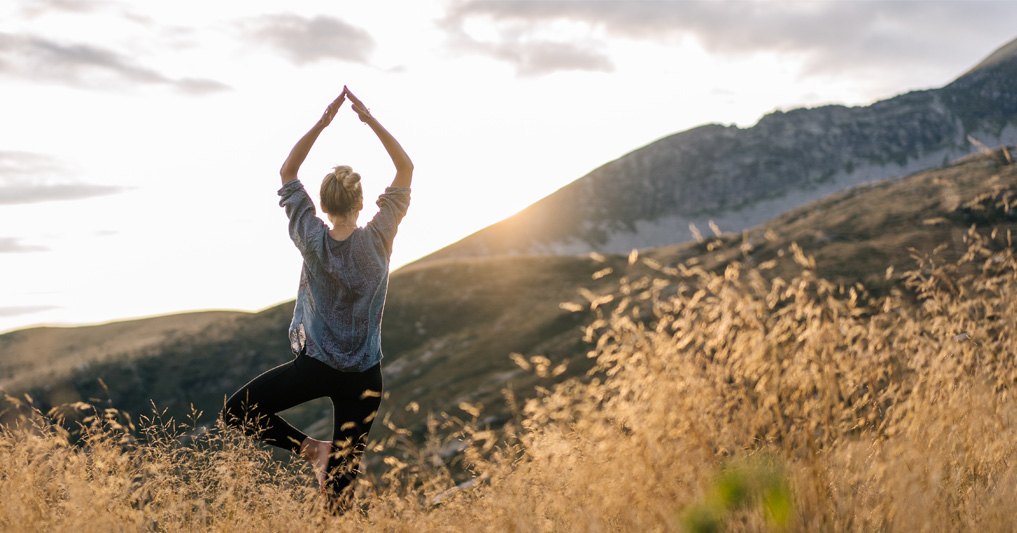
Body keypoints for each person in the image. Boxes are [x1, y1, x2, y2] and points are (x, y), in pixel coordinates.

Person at [222, 86, 413, 512]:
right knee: (339, 501)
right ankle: (325, 468)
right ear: (363, 203)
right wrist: (369, 119)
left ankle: (312, 449)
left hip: (316, 367)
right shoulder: (380, 238)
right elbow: (405, 167)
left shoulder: (311, 238)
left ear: (322, 206)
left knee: (236, 411)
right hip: (365, 376)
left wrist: (324, 122)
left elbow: (288, 169)